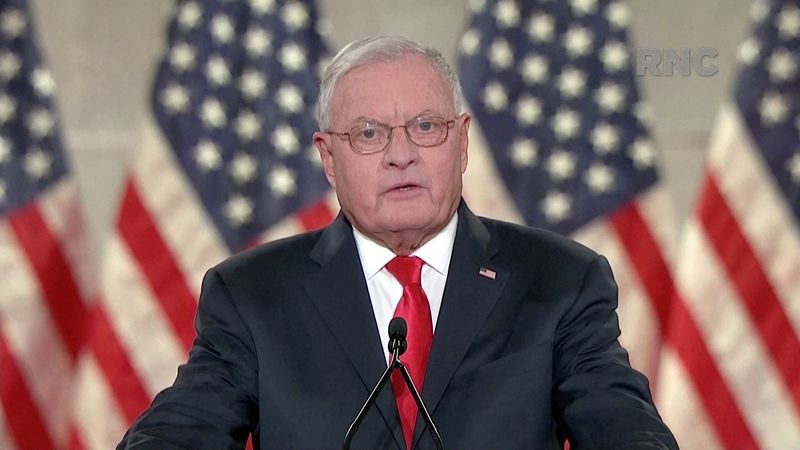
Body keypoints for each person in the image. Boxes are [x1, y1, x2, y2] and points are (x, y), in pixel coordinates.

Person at [118, 36, 678, 450]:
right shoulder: (253, 295)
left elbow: (620, 425)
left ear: (461, 144)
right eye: (369, 133)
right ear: (327, 158)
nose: (400, 153)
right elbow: (184, 428)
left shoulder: (559, 281)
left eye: (425, 127)